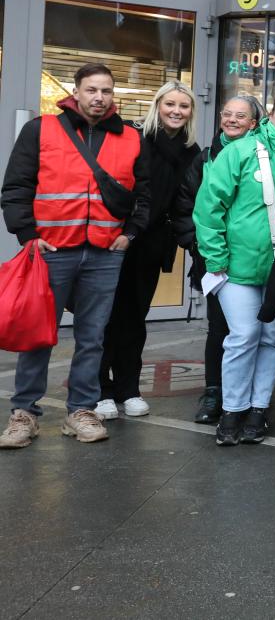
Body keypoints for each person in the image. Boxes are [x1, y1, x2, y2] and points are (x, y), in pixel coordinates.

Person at [0, 64, 150, 448]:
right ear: (77, 92)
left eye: (106, 91)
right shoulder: (41, 129)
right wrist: (28, 235)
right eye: (92, 90)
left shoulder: (132, 137)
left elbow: (145, 194)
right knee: (38, 335)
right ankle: (24, 414)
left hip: (104, 252)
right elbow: (16, 185)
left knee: (93, 336)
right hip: (52, 250)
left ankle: (80, 411)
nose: (99, 97)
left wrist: (130, 234)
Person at [194, 86, 275, 447]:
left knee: (270, 338)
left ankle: (258, 410)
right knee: (244, 335)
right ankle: (232, 410)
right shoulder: (241, 151)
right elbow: (208, 207)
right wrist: (215, 259)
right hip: (236, 267)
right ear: (271, 115)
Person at [96, 82, 201, 420]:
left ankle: (129, 389)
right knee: (105, 317)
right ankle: (100, 390)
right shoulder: (132, 135)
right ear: (158, 104)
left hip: (153, 244)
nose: (176, 111)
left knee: (134, 318)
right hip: (118, 238)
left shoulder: (191, 150)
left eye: (183, 106)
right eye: (170, 103)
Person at [173, 95, 262, 425]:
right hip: (214, 261)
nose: (233, 120)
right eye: (228, 114)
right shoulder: (206, 157)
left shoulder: (263, 156)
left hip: (253, 260)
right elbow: (185, 206)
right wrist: (197, 244)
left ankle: (251, 398)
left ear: (254, 123)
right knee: (219, 329)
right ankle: (214, 392)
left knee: (254, 332)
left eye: (241, 116)